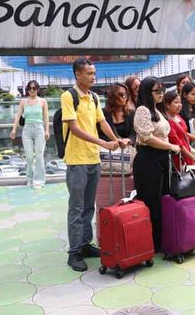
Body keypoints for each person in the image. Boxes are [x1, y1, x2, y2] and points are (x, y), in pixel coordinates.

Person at [61, 59, 127, 272]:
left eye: (94, 73)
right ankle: (74, 252)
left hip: (93, 159)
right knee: (76, 208)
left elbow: (102, 123)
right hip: (76, 160)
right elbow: (74, 128)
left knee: (89, 206)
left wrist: (115, 139)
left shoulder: (94, 97)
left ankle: (85, 244)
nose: (93, 76)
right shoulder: (68, 96)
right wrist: (103, 143)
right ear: (77, 75)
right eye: (88, 73)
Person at [133, 77, 181, 251]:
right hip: (148, 159)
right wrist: (171, 147)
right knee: (151, 202)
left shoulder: (157, 110)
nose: (161, 94)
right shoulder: (142, 110)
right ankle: (151, 243)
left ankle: (161, 240)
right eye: (157, 91)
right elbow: (147, 137)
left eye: (162, 90)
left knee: (163, 200)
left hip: (162, 158)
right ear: (147, 92)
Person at [10, 80, 49, 189]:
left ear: (37, 89)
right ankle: (30, 179)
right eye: (30, 88)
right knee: (29, 157)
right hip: (27, 130)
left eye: (34, 88)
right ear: (27, 89)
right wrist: (14, 129)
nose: (32, 90)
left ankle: (39, 180)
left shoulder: (42, 101)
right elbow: (18, 116)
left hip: (39, 129)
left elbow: (46, 117)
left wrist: (47, 130)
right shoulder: (23, 101)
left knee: (39, 155)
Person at [163, 91, 195, 168]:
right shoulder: (167, 122)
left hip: (187, 151)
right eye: (176, 102)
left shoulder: (177, 116)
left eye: (180, 102)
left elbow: (185, 133)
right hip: (179, 155)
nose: (179, 105)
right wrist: (192, 157)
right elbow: (177, 143)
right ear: (167, 105)